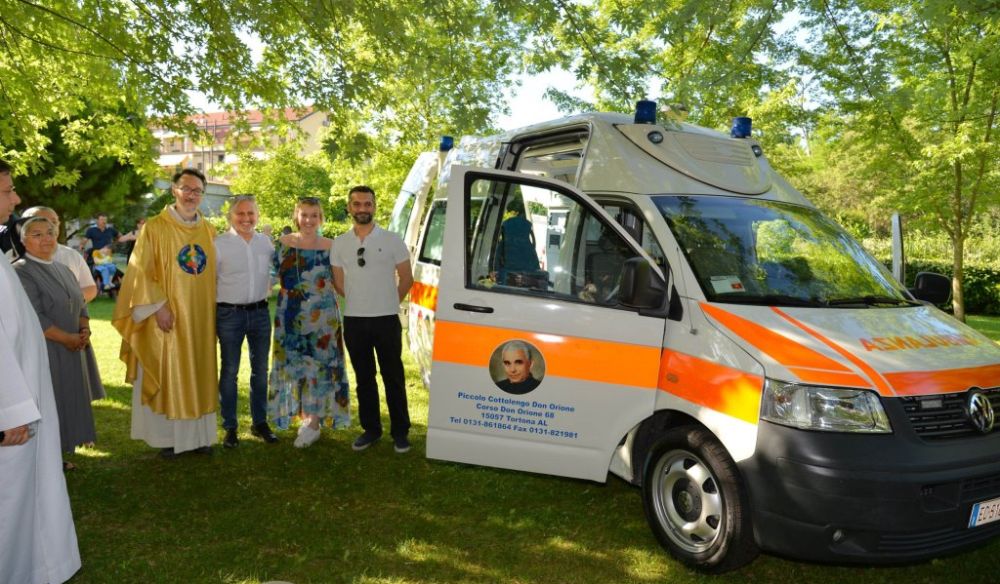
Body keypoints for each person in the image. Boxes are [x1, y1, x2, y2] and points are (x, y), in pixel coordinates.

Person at [0, 160, 82, 584]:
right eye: (7, 191)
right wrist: (9, 411)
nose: (15, 199)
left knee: (27, 497)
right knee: (10, 503)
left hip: (23, 398)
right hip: (12, 414)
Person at [112, 168, 218, 457]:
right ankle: (167, 439)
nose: (191, 195)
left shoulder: (209, 231)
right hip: (166, 317)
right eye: (186, 188)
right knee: (170, 372)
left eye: (197, 190)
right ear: (174, 190)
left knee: (199, 370)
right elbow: (140, 272)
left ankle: (199, 438)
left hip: (200, 319)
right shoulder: (155, 228)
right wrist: (158, 306)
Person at [14, 217, 105, 469]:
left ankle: (57, 455)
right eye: (37, 234)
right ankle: (43, 460)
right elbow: (33, 315)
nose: (46, 239)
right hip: (45, 349)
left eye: (50, 232)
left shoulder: (63, 269)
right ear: (24, 241)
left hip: (71, 348)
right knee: (48, 402)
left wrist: (84, 329)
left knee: (65, 400)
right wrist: (68, 338)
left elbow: (80, 303)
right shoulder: (21, 271)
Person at [332, 185, 413, 453]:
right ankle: (371, 430)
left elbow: (407, 278)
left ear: (374, 207)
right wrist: (361, 300)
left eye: (367, 204)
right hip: (355, 321)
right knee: (364, 378)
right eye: (357, 204)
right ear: (349, 207)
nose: (362, 209)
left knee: (393, 376)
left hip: (386, 320)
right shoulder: (339, 243)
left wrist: (388, 302)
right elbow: (339, 283)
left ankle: (400, 432)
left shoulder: (392, 240)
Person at [269, 197, 351, 448]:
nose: (308, 220)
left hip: (322, 318)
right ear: (296, 216)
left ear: (320, 218)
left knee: (319, 368)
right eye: (304, 214)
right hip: (289, 315)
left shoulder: (332, 246)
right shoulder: (283, 244)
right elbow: (270, 278)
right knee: (295, 366)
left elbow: (342, 284)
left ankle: (314, 424)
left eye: (314, 215)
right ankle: (306, 417)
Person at [215, 195, 278, 447]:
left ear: (257, 215)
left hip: (260, 313)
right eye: (240, 213)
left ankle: (259, 423)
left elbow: (276, 272)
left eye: (251, 213)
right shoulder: (218, 244)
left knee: (260, 371)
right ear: (230, 216)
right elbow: (207, 282)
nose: (246, 218)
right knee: (230, 371)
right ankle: (230, 427)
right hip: (229, 314)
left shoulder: (266, 243)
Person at [22, 206, 98, 302]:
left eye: (54, 222)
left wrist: (71, 302)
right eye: (42, 222)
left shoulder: (72, 255)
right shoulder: (13, 257)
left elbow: (89, 288)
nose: (50, 226)